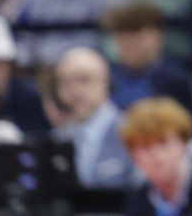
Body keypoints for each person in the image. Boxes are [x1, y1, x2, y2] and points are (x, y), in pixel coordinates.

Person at [121, 96, 192, 216]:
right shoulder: (137, 199)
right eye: (146, 146)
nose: (156, 154)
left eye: (163, 142)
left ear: (185, 143)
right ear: (133, 155)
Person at [54, 45, 136, 191]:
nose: (76, 90)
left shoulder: (131, 133)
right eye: (66, 82)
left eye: (84, 80)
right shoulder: (57, 140)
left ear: (105, 82)